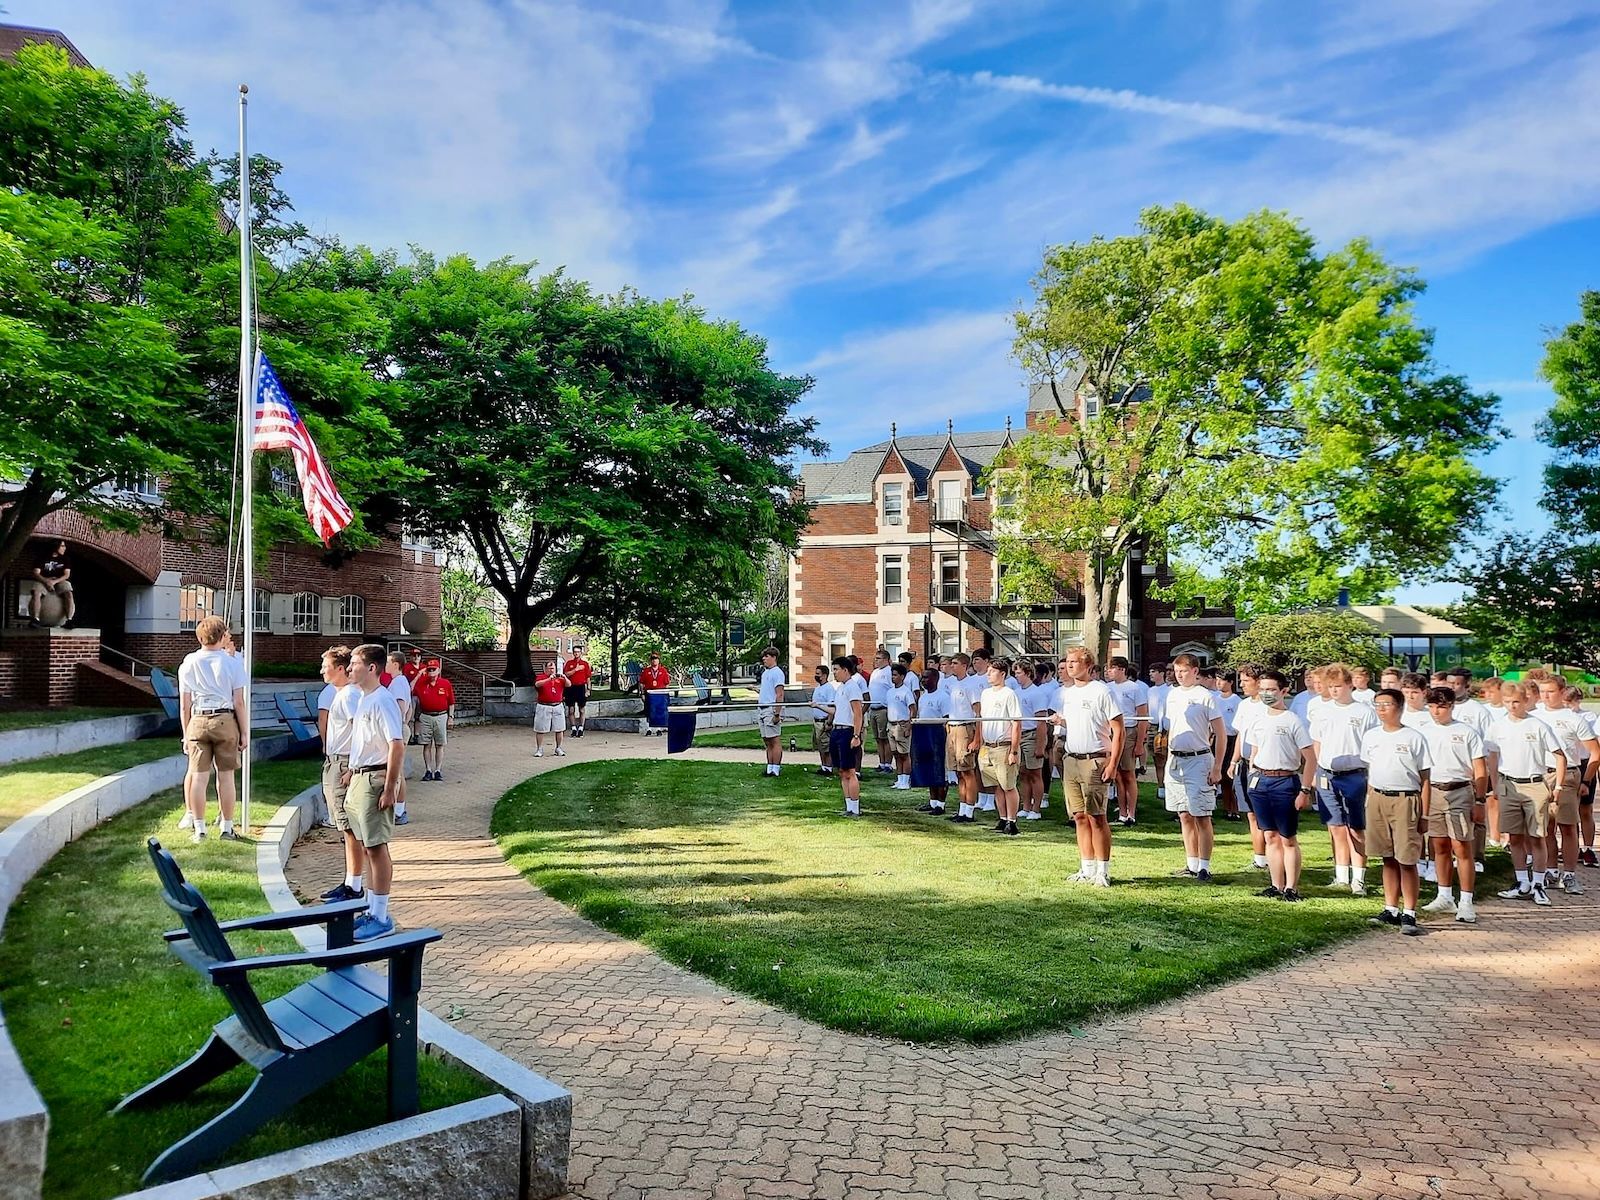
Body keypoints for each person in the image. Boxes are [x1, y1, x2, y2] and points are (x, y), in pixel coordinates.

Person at [342, 643, 407, 941]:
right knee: (367, 846)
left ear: (372, 668)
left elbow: (396, 744)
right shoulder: (365, 699)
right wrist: (351, 770)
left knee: (377, 848)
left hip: (374, 782)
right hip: (359, 779)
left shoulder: (383, 700)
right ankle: (371, 908)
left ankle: (381, 916)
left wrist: (390, 787)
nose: (350, 668)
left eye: (355, 663)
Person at [1240, 668, 1317, 901]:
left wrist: (1305, 789)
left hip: (1285, 781)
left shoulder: (1293, 720)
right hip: (1261, 781)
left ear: (1284, 691)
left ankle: (1291, 888)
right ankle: (1276, 884)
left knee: (1287, 838)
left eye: (1272, 690)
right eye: (1263, 689)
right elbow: (1254, 751)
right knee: (1270, 836)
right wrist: (1253, 775)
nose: (1267, 694)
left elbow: (1310, 758)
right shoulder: (1257, 719)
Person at [1360, 687, 1430, 934]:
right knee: (1386, 856)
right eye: (1377, 704)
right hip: (1379, 797)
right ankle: (1390, 908)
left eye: (1386, 704)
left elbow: (1424, 779)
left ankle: (1409, 912)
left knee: (1406, 858)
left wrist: (1424, 813)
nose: (1380, 709)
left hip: (1405, 799)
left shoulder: (1413, 737)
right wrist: (1369, 799)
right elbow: (1371, 770)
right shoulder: (1371, 736)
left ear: (1399, 707)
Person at [1051, 647, 1123, 885]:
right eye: (1068, 662)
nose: (1070, 666)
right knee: (1079, 816)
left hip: (1095, 760)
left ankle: (1103, 870)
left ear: (1088, 665)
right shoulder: (1067, 694)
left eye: (1074, 662)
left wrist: (1112, 763)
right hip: (1072, 759)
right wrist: (1062, 721)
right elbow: (1077, 723)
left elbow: (1118, 730)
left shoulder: (1102, 691)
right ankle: (1086, 868)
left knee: (1097, 816)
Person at [176, 616, 249, 842]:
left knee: (198, 776)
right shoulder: (233, 662)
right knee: (225, 777)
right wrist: (245, 731)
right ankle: (226, 828)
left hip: (198, 719)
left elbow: (184, 704)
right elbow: (239, 701)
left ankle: (199, 829)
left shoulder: (188, 662)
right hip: (225, 719)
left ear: (199, 637)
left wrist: (185, 733)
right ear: (222, 636)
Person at [1490, 684, 1564, 907]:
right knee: (1514, 836)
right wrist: (1495, 786)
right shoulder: (1497, 726)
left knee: (1537, 836)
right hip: (1508, 785)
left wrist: (1558, 787)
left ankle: (1539, 883)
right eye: (1507, 702)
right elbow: (1492, 757)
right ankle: (1522, 881)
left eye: (1516, 702)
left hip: (1534, 784)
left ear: (1525, 701)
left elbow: (1560, 756)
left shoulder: (1538, 725)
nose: (1512, 706)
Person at [1419, 686, 1488, 923]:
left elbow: (1480, 768)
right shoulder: (1422, 731)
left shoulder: (1467, 732)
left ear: (1451, 706)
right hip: (1433, 791)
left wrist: (1479, 799)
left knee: (1462, 846)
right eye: (1432, 706)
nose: (1436, 711)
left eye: (1441, 706)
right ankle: (1444, 894)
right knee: (1439, 845)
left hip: (1459, 789)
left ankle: (1466, 901)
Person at [1310, 664, 1379, 896]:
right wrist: (1318, 769)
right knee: (1336, 827)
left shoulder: (1364, 712)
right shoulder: (1323, 711)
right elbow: (1316, 742)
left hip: (1355, 774)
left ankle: (1358, 877)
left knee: (1356, 828)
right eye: (1330, 687)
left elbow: (1372, 745)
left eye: (1338, 686)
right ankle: (1341, 875)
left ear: (1350, 685)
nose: (1334, 691)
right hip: (1327, 773)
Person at [1532, 678, 1599, 893]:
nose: (1545, 696)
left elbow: (1595, 752)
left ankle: (1569, 873)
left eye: (1550, 691)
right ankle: (1550, 869)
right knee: (1545, 827)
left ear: (1562, 691)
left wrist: (1586, 781)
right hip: (1540, 774)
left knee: (1568, 826)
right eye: (1542, 691)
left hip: (1568, 774)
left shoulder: (1573, 719)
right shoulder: (1534, 715)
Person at [1162, 653, 1225, 881]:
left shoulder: (1205, 696)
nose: (1180, 676)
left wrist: (1217, 766)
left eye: (1184, 671)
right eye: (1177, 672)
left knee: (1201, 814)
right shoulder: (1172, 695)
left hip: (1199, 759)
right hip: (1176, 758)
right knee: (1184, 813)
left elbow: (1220, 732)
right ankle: (1191, 863)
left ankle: (1205, 866)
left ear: (1195, 671)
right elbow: (1173, 729)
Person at [315, 645, 365, 902]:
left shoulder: (348, 696)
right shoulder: (341, 694)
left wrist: (352, 768)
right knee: (344, 827)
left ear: (341, 669)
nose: (323, 670)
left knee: (349, 828)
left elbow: (361, 731)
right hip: (336, 761)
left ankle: (354, 885)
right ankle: (350, 881)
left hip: (344, 763)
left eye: (327, 666)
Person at [1230, 664, 1271, 872]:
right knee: (1250, 814)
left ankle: (1271, 854)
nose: (1242, 684)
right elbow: (1240, 735)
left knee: (1263, 813)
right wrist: (1233, 760)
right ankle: (1259, 858)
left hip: (1263, 767)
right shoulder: (1244, 705)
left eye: (1246, 681)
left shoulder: (1268, 706)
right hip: (1244, 764)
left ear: (1257, 682)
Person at [977, 657, 1023, 836]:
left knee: (1008, 785)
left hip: (1003, 745)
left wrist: (1014, 750)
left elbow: (1016, 723)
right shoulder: (985, 694)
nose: (988, 674)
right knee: (995, 784)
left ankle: (1012, 820)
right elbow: (981, 720)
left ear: (1002, 674)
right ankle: (1002, 817)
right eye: (988, 671)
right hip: (988, 746)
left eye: (992, 671)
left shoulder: (1009, 694)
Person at [1106, 657, 1148, 826]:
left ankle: (1131, 812)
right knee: (1117, 775)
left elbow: (1142, 716)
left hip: (1129, 731)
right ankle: (1122, 812)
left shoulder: (1134, 688)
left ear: (1122, 669)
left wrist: (1139, 743)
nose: (1108, 672)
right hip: (1110, 732)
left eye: (1112, 668)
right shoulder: (1106, 688)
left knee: (1128, 774)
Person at [944, 653, 982, 824]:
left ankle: (970, 809)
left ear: (964, 666)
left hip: (965, 728)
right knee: (958, 771)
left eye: (955, 663)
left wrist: (976, 737)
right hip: (953, 727)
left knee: (967, 770)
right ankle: (962, 808)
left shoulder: (971, 685)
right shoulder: (953, 684)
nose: (952, 666)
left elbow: (978, 712)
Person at [827, 656, 866, 817]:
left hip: (847, 731)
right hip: (837, 730)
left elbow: (857, 713)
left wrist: (856, 735)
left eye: (836, 669)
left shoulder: (852, 687)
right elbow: (838, 711)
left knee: (850, 770)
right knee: (842, 771)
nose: (834, 673)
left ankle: (855, 808)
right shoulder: (840, 688)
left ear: (845, 670)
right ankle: (848, 806)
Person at [1012, 659, 1048, 820]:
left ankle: (1036, 808)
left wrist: (1040, 746)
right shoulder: (1017, 693)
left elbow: (1041, 721)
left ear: (1027, 673)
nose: (1016, 676)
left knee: (1035, 773)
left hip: (1032, 734)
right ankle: (1025, 806)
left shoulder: (1037, 693)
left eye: (1019, 672)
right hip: (1019, 735)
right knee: (1023, 773)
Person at [384, 652, 415, 825]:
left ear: (396, 664)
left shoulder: (397, 683)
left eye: (388, 662)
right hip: (402, 727)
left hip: (397, 729)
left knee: (398, 771)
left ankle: (399, 810)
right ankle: (399, 809)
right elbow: (408, 710)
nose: (386, 665)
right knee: (398, 771)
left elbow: (401, 707)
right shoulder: (401, 682)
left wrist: (398, 726)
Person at [413, 658, 455, 781]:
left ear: (438, 670)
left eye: (434, 669)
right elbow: (410, 689)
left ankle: (438, 770)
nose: (431, 672)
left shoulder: (445, 683)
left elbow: (451, 702)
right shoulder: (421, 683)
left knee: (439, 744)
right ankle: (428, 770)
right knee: (426, 744)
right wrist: (419, 675)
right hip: (425, 716)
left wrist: (450, 717)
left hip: (441, 716)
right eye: (429, 669)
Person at [915, 668, 951, 814]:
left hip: (937, 734)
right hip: (924, 733)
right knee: (929, 769)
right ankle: (932, 801)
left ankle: (940, 805)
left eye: (926, 678)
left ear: (935, 679)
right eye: (922, 678)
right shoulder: (923, 697)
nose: (923, 680)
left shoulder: (943, 697)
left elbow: (947, 718)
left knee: (939, 770)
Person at [26, 540, 75, 628]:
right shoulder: (41, 558)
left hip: (59, 580)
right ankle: (35, 619)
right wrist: (46, 581)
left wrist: (54, 582)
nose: (64, 548)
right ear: (56, 547)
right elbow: (36, 573)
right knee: (36, 592)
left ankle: (69, 619)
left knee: (68, 592)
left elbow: (66, 575)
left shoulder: (65, 559)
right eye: (62, 546)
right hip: (44, 580)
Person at [757, 647, 787, 777]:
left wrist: (777, 713)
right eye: (764, 656)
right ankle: (769, 767)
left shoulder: (777, 673)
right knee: (767, 740)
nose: (764, 658)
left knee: (774, 740)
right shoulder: (765, 673)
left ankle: (776, 768)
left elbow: (779, 694)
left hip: (771, 709)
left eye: (767, 656)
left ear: (774, 657)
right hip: (762, 708)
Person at [886, 662, 917, 789]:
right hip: (891, 724)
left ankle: (906, 779)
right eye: (892, 675)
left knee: (904, 753)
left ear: (902, 677)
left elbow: (913, 709)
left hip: (902, 724)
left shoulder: (906, 692)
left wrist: (909, 726)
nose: (892, 677)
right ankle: (899, 778)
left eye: (895, 675)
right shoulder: (890, 692)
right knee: (896, 753)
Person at [533, 660, 568, 757]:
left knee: (559, 728)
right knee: (540, 728)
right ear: (545, 669)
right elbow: (537, 684)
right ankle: (539, 749)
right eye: (550, 668)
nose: (552, 670)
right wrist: (549, 679)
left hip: (557, 705)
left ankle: (558, 748)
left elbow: (569, 684)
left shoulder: (560, 678)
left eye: (553, 668)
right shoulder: (541, 677)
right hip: (544, 706)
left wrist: (564, 677)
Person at [1147, 663, 1170, 808]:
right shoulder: (1150, 690)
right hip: (1152, 725)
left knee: (1165, 756)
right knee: (1157, 758)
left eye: (1153, 672)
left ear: (1161, 673)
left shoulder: (1169, 690)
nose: (1151, 674)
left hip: (1165, 727)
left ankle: (1169, 786)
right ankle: (1161, 786)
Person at [809, 664, 835, 775]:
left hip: (824, 721)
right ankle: (823, 766)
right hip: (816, 721)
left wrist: (829, 721)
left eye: (818, 674)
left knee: (826, 746)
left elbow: (832, 706)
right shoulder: (818, 688)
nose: (816, 676)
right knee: (820, 745)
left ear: (824, 675)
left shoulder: (829, 688)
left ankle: (828, 767)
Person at [562, 644, 593, 737]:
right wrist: (576, 669)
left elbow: (588, 678)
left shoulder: (585, 664)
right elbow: (566, 674)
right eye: (575, 652)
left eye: (578, 652)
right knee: (571, 710)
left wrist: (588, 689)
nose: (576, 653)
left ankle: (581, 728)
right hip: (570, 687)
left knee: (582, 709)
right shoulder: (569, 663)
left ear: (581, 653)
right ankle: (573, 728)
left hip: (581, 687)